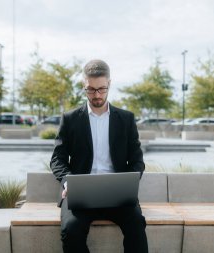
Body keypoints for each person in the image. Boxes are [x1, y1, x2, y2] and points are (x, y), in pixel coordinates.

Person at [50, 59, 148, 253]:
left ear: (109, 84)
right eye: (91, 89)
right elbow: (57, 159)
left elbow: (137, 160)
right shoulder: (70, 119)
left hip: (118, 195)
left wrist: (128, 182)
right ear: (83, 86)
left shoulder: (126, 119)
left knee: (137, 225)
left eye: (102, 89)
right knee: (71, 231)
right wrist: (67, 182)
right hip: (80, 195)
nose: (96, 95)